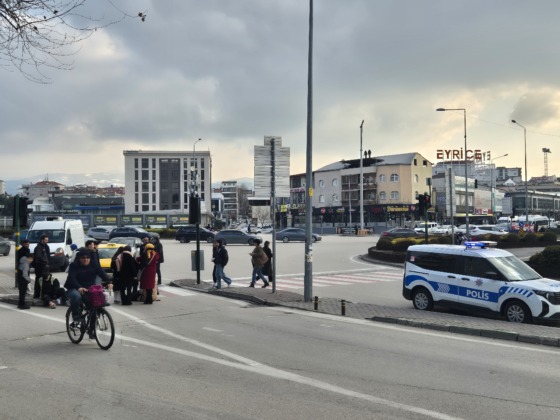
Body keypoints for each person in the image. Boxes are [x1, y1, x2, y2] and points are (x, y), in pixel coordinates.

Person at [64, 249, 112, 324]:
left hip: (89, 288)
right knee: (76, 296)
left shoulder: (94, 264)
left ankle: (92, 328)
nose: (85, 260)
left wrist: (109, 282)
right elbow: (72, 278)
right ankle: (76, 316)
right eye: (83, 258)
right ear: (79, 258)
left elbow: (102, 273)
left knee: (95, 304)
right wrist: (79, 288)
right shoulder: (74, 265)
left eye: (87, 258)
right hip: (74, 287)